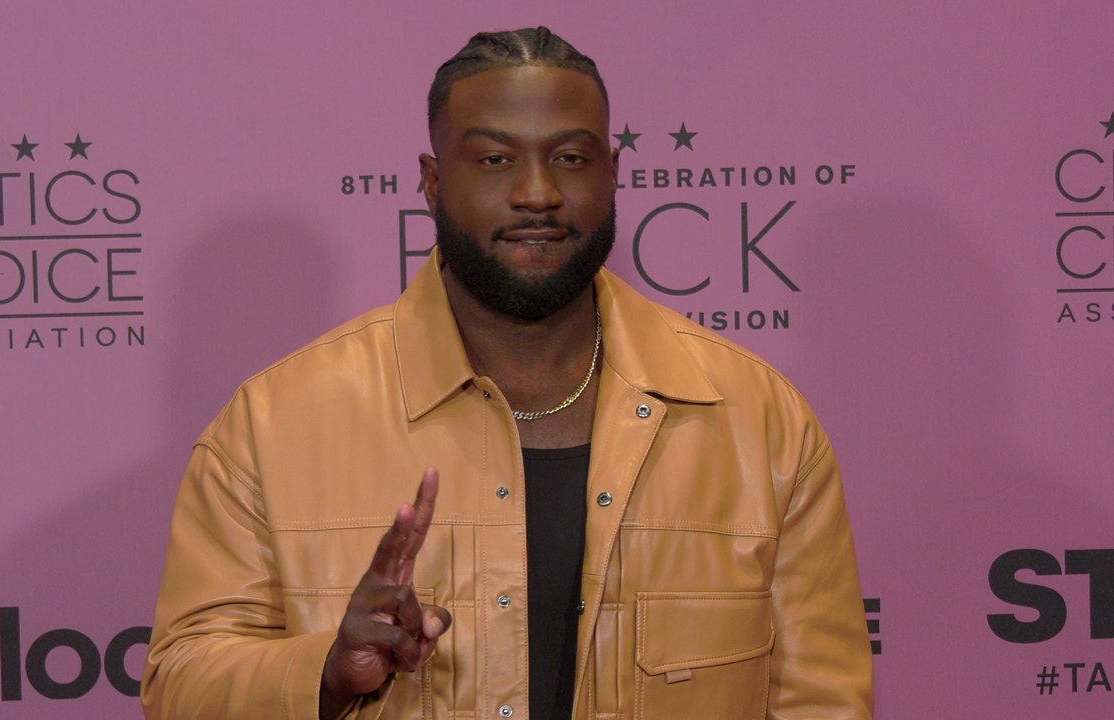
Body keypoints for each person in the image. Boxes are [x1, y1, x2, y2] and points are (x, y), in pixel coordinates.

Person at [142, 26, 873, 720]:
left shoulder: (754, 418)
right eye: (494, 159)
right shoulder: (277, 423)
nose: (537, 193)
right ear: (432, 182)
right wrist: (326, 672)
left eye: (571, 158)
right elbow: (180, 685)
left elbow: (823, 700)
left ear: (614, 174)